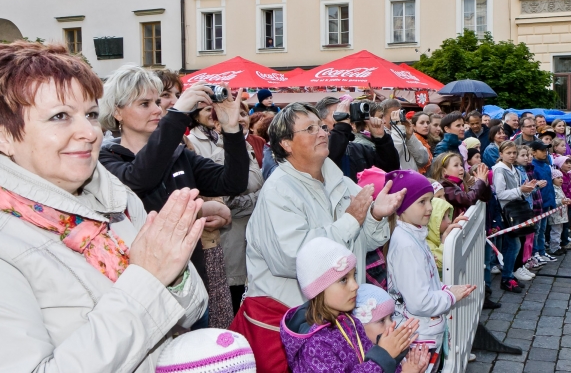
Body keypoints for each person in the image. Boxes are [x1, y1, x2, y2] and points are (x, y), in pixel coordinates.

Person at [0, 41, 209, 371]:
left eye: (91, 114)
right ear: (5, 136)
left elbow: (195, 308)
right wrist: (148, 278)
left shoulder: (118, 200)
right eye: (59, 116)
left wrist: (174, 274)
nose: (89, 132)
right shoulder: (7, 244)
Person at [232, 103, 405, 372]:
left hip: (334, 318)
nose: (322, 133)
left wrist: (375, 216)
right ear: (287, 144)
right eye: (310, 129)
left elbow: (362, 245)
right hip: (293, 321)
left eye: (322, 127)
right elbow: (293, 260)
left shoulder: (338, 179)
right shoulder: (278, 190)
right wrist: (350, 221)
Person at [98, 66, 250, 328]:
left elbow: (234, 182)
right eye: (144, 104)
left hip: (191, 283)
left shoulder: (177, 154)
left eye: (157, 102)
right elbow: (139, 178)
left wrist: (231, 129)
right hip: (140, 288)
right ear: (117, 111)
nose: (157, 109)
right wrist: (177, 115)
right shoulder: (104, 159)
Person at [280, 238, 423, 373]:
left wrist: (395, 357)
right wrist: (384, 355)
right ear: (319, 289)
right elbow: (375, 363)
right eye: (343, 280)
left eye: (353, 276)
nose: (355, 285)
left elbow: (366, 363)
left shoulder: (350, 322)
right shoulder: (315, 344)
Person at [385, 170, 476, 372]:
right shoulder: (406, 245)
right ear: (402, 205)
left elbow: (427, 283)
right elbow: (419, 302)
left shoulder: (415, 235)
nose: (429, 208)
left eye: (430, 201)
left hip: (423, 331)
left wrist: (447, 288)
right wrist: (450, 296)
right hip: (419, 336)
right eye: (422, 202)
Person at [188, 101, 265, 315]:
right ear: (218, 125)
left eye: (243, 113)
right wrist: (261, 199)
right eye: (232, 115)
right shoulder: (220, 157)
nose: (240, 118)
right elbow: (226, 202)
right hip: (232, 247)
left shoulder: (249, 148)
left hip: (246, 243)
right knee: (232, 304)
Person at [316, 97, 400, 182]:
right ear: (321, 121)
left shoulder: (358, 149)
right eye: (338, 113)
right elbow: (330, 158)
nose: (345, 116)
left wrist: (381, 139)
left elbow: (391, 170)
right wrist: (341, 127)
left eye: (347, 113)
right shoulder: (317, 151)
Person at [353, 284, 431, 372]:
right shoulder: (357, 357)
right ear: (359, 326)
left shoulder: (393, 351)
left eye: (391, 317)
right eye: (382, 320)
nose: (391, 324)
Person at [492, 141, 537, 290]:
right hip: (505, 212)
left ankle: (509, 275)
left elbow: (519, 191)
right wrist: (520, 190)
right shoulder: (499, 170)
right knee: (513, 244)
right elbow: (500, 194)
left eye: (513, 153)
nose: (512, 156)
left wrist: (527, 189)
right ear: (501, 154)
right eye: (508, 153)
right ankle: (507, 277)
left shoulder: (515, 169)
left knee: (514, 244)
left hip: (515, 209)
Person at [431, 152, 491, 217]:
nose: (461, 168)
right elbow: (469, 199)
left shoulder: (460, 184)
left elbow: (485, 198)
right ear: (444, 171)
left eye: (461, 165)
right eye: (456, 165)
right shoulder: (445, 187)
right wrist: (480, 182)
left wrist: (484, 182)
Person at [381, 99, 429, 173]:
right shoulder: (381, 135)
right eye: (393, 115)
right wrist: (398, 129)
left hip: (413, 179)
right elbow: (393, 157)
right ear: (382, 117)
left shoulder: (403, 130)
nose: (397, 118)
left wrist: (410, 137)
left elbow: (423, 160)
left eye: (399, 114)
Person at [531, 141, 558, 263]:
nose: (545, 153)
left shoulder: (546, 165)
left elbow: (550, 186)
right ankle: (535, 252)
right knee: (536, 230)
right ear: (534, 152)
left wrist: (552, 201)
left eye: (546, 151)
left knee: (542, 228)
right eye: (542, 150)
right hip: (538, 203)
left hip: (547, 201)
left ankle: (541, 251)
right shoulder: (533, 166)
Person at [548, 170, 571, 256]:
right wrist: (561, 201)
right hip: (556, 215)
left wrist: (566, 200)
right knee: (555, 231)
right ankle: (553, 248)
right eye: (558, 178)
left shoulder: (559, 188)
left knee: (559, 231)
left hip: (561, 215)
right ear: (553, 179)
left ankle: (557, 246)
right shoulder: (553, 189)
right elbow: (554, 201)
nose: (561, 179)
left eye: (561, 177)